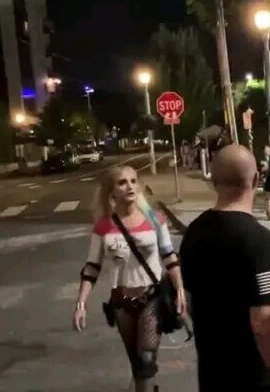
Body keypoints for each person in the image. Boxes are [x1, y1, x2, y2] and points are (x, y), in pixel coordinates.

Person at [179, 145, 270, 392]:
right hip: (257, 380)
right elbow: (265, 320)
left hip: (214, 375)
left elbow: (190, 301)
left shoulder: (194, 232)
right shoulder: (261, 241)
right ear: (256, 179)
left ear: (214, 182)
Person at [72, 165, 187, 392]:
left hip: (151, 299)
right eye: (122, 183)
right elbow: (92, 267)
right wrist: (81, 304)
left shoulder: (155, 220)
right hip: (121, 303)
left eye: (133, 181)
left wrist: (180, 290)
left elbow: (169, 257)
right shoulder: (104, 226)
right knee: (137, 363)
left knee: (146, 358)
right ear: (112, 192)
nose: (130, 186)